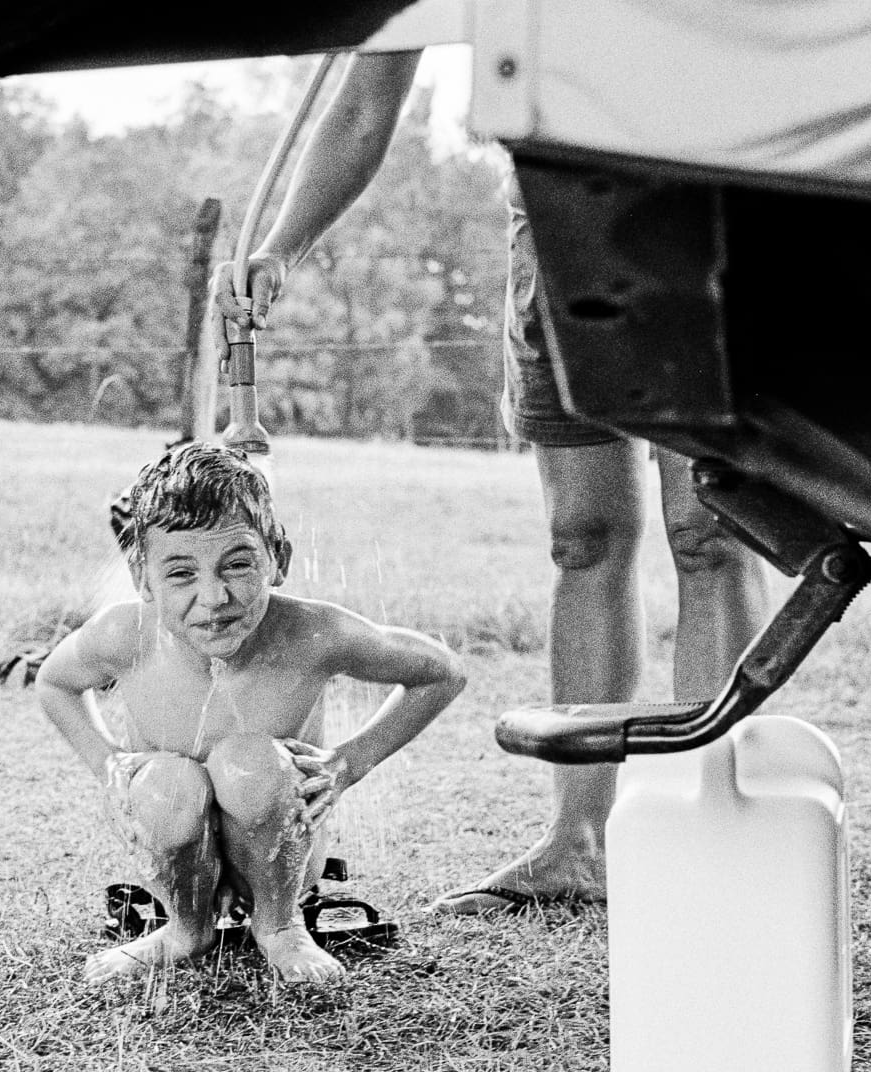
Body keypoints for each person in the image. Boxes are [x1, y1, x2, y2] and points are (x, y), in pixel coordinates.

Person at [216, 53, 770, 915]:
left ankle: (711, 836)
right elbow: (367, 105)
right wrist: (283, 244)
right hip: (555, 243)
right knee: (583, 538)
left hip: (705, 220)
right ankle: (580, 846)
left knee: (709, 535)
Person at [38, 443, 466, 983]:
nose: (214, 596)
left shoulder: (313, 634)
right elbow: (54, 683)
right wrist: (108, 765)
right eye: (181, 574)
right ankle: (184, 928)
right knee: (168, 782)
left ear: (278, 560)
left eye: (237, 565)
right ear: (142, 577)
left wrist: (346, 764)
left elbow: (441, 672)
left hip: (282, 855)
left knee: (249, 763)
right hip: (168, 849)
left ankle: (280, 925)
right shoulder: (127, 636)